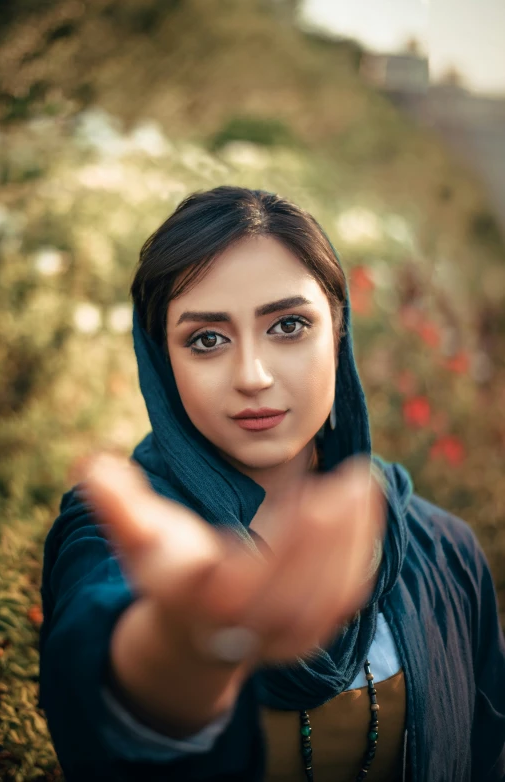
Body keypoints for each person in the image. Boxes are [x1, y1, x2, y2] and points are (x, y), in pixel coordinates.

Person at [38, 186, 505, 782]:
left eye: (288, 325)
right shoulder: (120, 536)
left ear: (337, 332)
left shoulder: (440, 548)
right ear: (162, 360)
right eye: (207, 339)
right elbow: (101, 657)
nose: (252, 376)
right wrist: (189, 641)